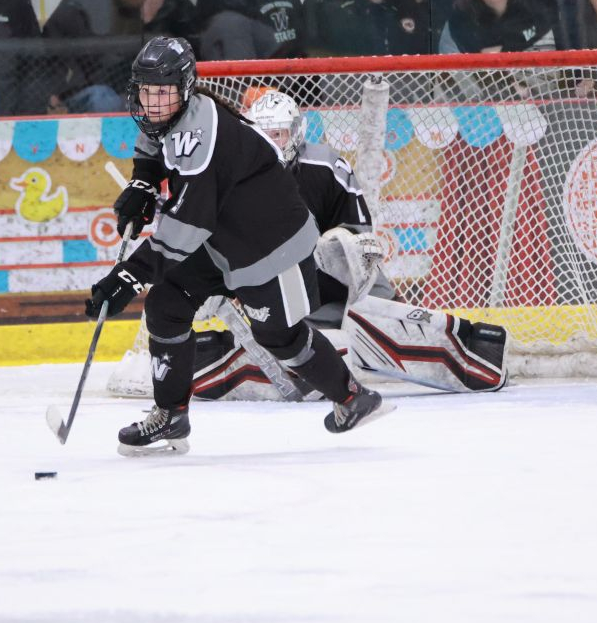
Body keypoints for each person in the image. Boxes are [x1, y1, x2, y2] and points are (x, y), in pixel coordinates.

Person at [93, 37, 389, 455]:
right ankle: (171, 415)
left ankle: (352, 397)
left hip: (271, 245)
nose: (153, 103)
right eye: (146, 92)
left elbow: (185, 227)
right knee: (166, 304)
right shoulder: (175, 114)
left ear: (184, 88)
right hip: (221, 239)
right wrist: (143, 181)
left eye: (162, 92)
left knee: (280, 336)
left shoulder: (202, 136)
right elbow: (154, 144)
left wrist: (128, 276)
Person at [187, 89, 509, 401]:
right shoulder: (234, 178)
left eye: (279, 134)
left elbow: (361, 243)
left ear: (297, 133)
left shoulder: (327, 167)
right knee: (313, 342)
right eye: (263, 135)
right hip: (285, 299)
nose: (271, 143)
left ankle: (454, 348)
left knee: (347, 264)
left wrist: (338, 255)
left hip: (340, 287)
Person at [42, 0, 196, 113]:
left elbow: (194, 51)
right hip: (90, 90)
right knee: (102, 99)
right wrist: (51, 90)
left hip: (145, 94)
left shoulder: (174, 3)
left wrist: (150, 23)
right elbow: (50, 41)